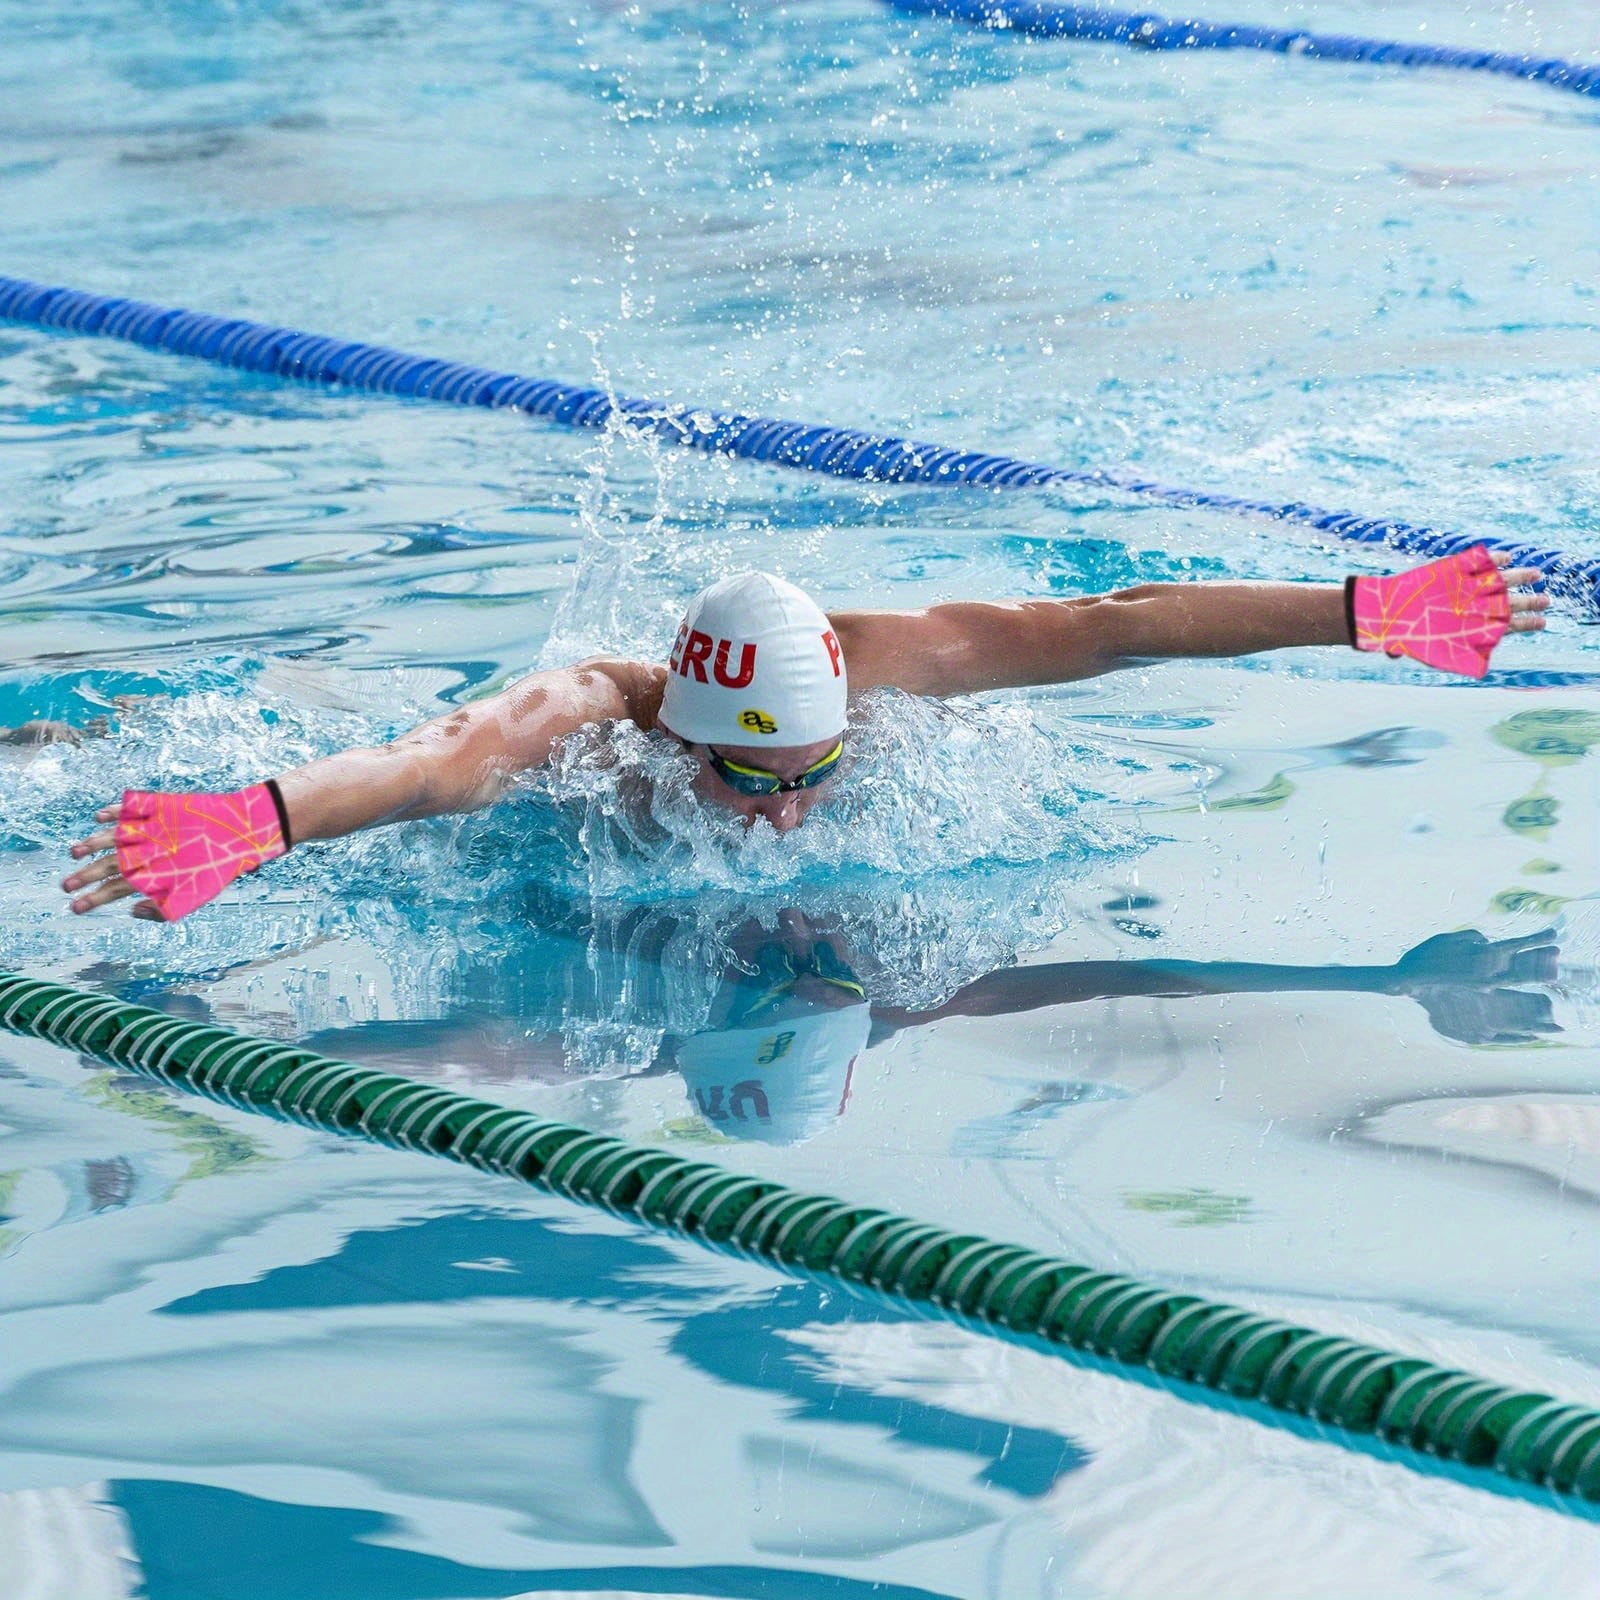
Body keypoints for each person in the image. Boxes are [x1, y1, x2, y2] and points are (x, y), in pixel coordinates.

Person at [62, 545, 1546, 921]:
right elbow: (440, 771)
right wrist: (259, 818)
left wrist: (1362, 610)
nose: (778, 815)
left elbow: (1119, 619)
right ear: (682, 731)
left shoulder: (898, 665)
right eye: (739, 777)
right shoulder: (597, 712)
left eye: (813, 774)